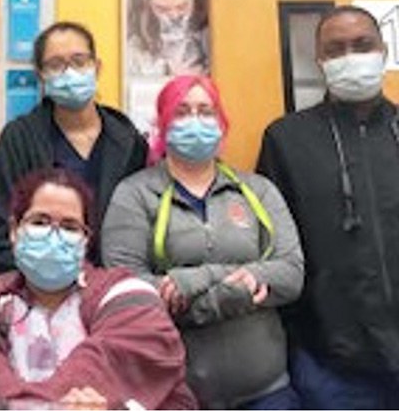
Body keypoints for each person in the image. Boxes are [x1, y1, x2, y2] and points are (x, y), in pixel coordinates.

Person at [256, 5, 399, 409]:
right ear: (319, 61)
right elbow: (274, 253)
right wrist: (300, 342)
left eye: (362, 45)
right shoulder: (287, 141)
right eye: (335, 49)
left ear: (383, 51)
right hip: (334, 368)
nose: (351, 56)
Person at [101, 75, 304, 409]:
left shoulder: (258, 190)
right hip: (173, 395)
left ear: (221, 122)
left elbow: (290, 272)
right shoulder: (134, 194)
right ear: (163, 124)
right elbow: (129, 289)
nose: (195, 121)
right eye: (181, 112)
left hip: (268, 392)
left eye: (205, 111)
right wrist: (238, 291)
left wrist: (193, 280)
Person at [0, 168, 196, 409]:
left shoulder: (130, 294)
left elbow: (112, 361)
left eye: (70, 227)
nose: (54, 236)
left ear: (86, 239)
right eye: (39, 222)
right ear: (14, 230)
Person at [0, 21, 147, 272]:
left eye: (79, 61)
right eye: (56, 65)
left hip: (113, 280)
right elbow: (2, 229)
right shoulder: (19, 138)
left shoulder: (127, 138)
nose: (69, 72)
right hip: (39, 283)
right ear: (41, 75)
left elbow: (142, 220)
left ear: (96, 67)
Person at [126, 0, 209, 77]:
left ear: (195, 1)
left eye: (182, 7)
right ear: (147, 7)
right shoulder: (133, 45)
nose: (174, 15)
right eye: (162, 9)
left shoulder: (208, 36)